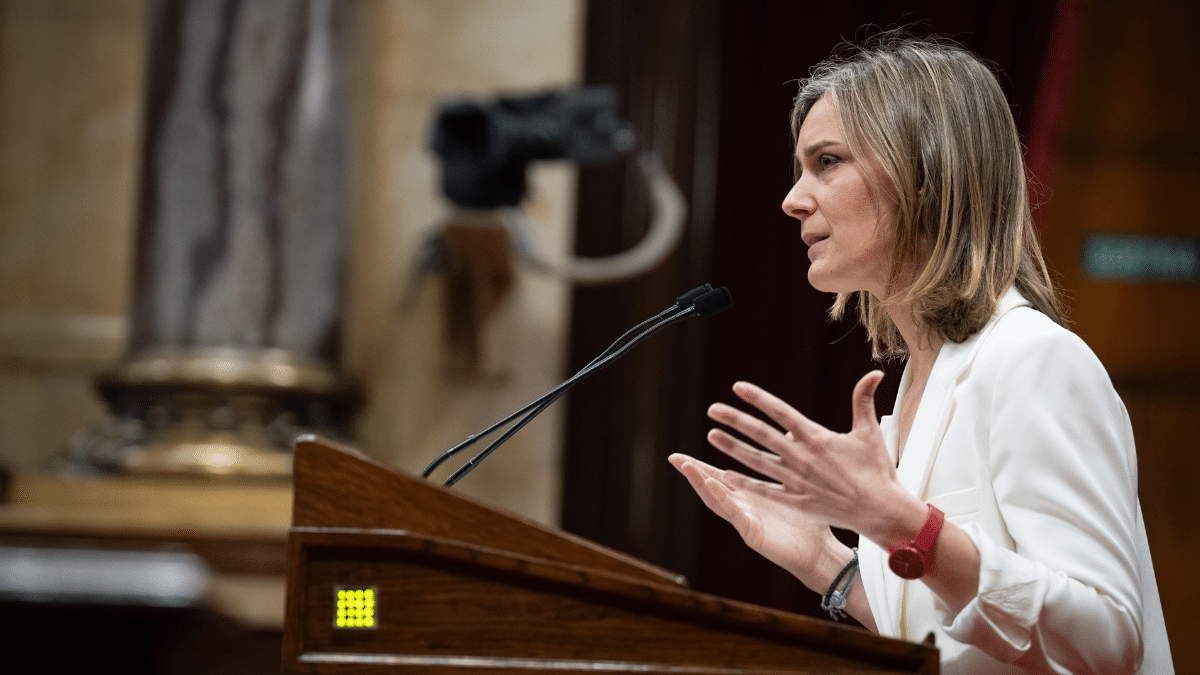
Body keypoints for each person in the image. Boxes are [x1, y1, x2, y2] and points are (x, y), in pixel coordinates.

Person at [668, 34, 1174, 674]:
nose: (793, 199)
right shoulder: (918, 386)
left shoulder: (1035, 362)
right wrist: (822, 562)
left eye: (827, 162)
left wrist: (911, 529)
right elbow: (955, 646)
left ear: (922, 173)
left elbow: (1108, 644)